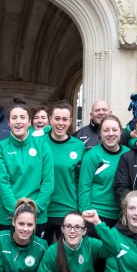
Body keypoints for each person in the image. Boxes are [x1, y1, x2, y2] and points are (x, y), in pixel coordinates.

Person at [0, 98, 54, 237]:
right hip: (8, 216)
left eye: (22, 117)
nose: (18, 121)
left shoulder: (43, 146)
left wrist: (35, 210)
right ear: (9, 123)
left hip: (37, 216)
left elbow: (48, 182)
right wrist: (16, 211)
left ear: (29, 122)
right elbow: (3, 183)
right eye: (14, 118)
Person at [42, 101, 86, 243]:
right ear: (50, 120)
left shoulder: (78, 146)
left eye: (65, 119)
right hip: (42, 208)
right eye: (57, 118)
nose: (60, 123)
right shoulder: (39, 142)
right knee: (41, 251)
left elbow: (80, 180)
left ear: (70, 121)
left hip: (67, 209)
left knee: (66, 252)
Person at [78, 116, 129, 233]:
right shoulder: (92, 155)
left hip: (122, 215)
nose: (110, 134)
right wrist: (86, 215)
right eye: (106, 130)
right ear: (100, 133)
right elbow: (84, 187)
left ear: (120, 132)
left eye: (114, 130)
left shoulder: (128, 154)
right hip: (97, 214)